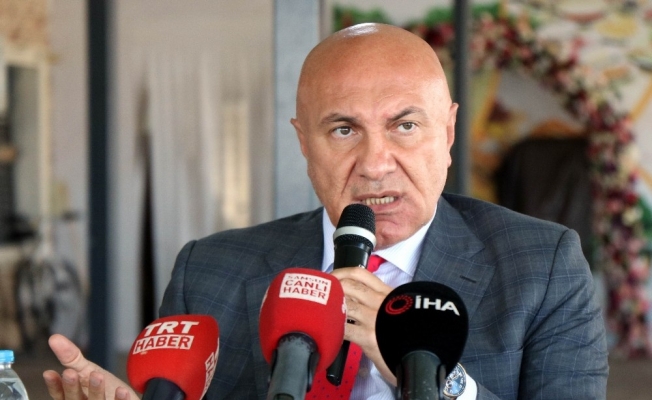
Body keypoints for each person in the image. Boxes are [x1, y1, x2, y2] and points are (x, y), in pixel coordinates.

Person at [42, 22, 608, 399]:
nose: (375, 164)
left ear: (449, 131)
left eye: (405, 125)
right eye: (343, 130)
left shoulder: (543, 267)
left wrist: (428, 371)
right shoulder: (208, 271)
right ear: (304, 143)